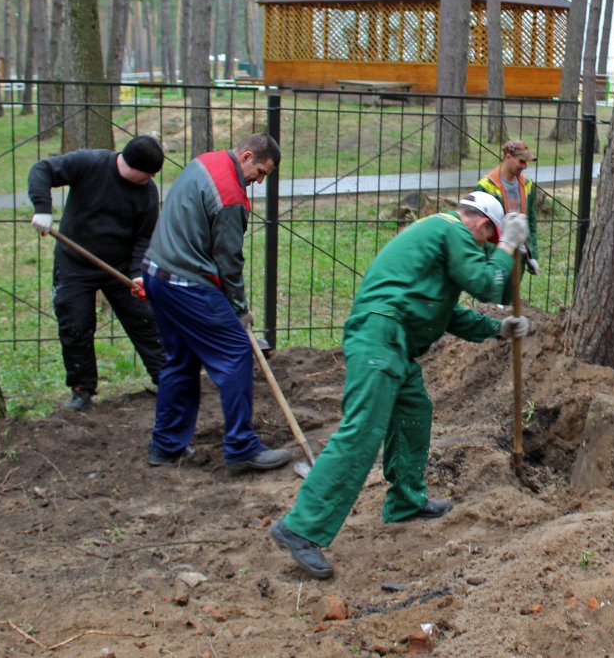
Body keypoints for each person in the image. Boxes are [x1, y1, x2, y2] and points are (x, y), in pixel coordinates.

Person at [269, 191, 531, 579]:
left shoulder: (439, 244)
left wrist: (498, 328)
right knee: (361, 432)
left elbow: (450, 313)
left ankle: (406, 500)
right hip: (381, 336)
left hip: (395, 342)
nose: (486, 251)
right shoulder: (452, 229)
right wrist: (509, 244)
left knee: (414, 411)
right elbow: (486, 282)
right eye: (489, 243)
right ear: (483, 226)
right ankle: (300, 528)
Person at [142, 133, 290, 471]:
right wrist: (238, 309)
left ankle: (166, 445)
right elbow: (228, 262)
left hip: (157, 273)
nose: (259, 181)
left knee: (181, 359)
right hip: (186, 282)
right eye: (261, 172)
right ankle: (241, 447)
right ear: (247, 156)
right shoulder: (231, 196)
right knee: (236, 352)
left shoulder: (204, 162)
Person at [28, 135, 168, 412]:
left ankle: (167, 379)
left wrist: (137, 274)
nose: (151, 177)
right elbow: (41, 169)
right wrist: (42, 208)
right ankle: (82, 390)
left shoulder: (147, 192)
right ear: (130, 164)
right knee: (75, 325)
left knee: (145, 321)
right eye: (148, 172)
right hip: (74, 264)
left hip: (119, 267)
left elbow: (144, 237)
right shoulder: (89, 163)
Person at [476, 139, 542, 275]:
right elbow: (477, 225)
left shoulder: (528, 185)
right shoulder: (486, 186)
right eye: (521, 161)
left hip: (520, 256)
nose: (525, 166)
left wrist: (532, 255)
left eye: (527, 162)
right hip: (496, 256)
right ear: (508, 157)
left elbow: (531, 221)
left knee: (513, 296)